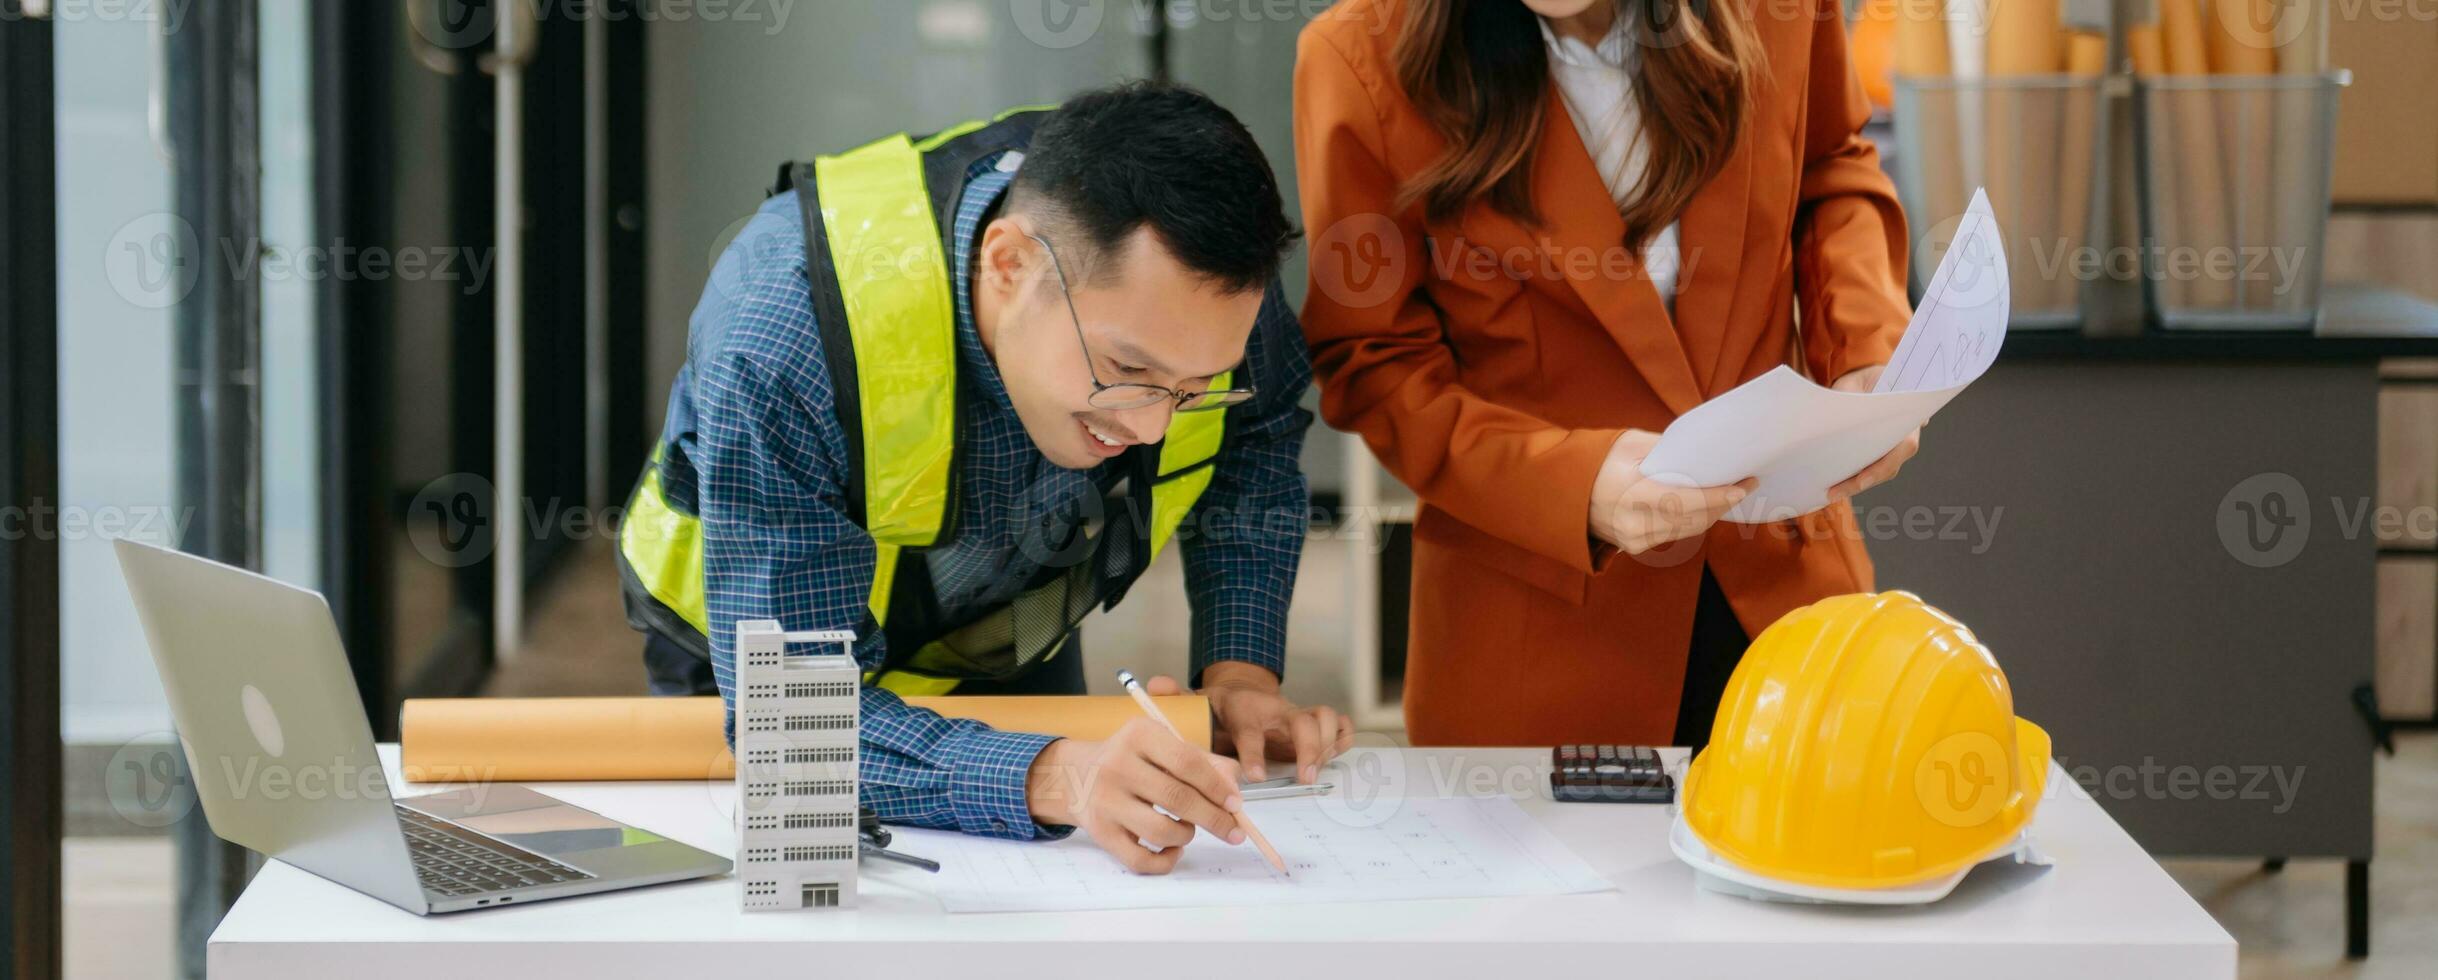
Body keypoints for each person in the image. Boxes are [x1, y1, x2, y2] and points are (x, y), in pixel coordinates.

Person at [616, 83, 1355, 873]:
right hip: (763, 653)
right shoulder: (780, 334)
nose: (1151, 428)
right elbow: (795, 728)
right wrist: (1063, 775)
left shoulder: (1203, 297)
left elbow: (1260, 434)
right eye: (1128, 369)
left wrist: (1239, 674)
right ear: (1008, 264)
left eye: (1196, 385)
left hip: (1002, 622)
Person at [1293, 0, 1921, 748]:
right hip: (1543, 636)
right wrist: (1574, 485)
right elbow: (1374, 364)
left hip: (1786, 593)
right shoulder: (1356, 57)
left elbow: (1830, 165)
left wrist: (1866, 350)